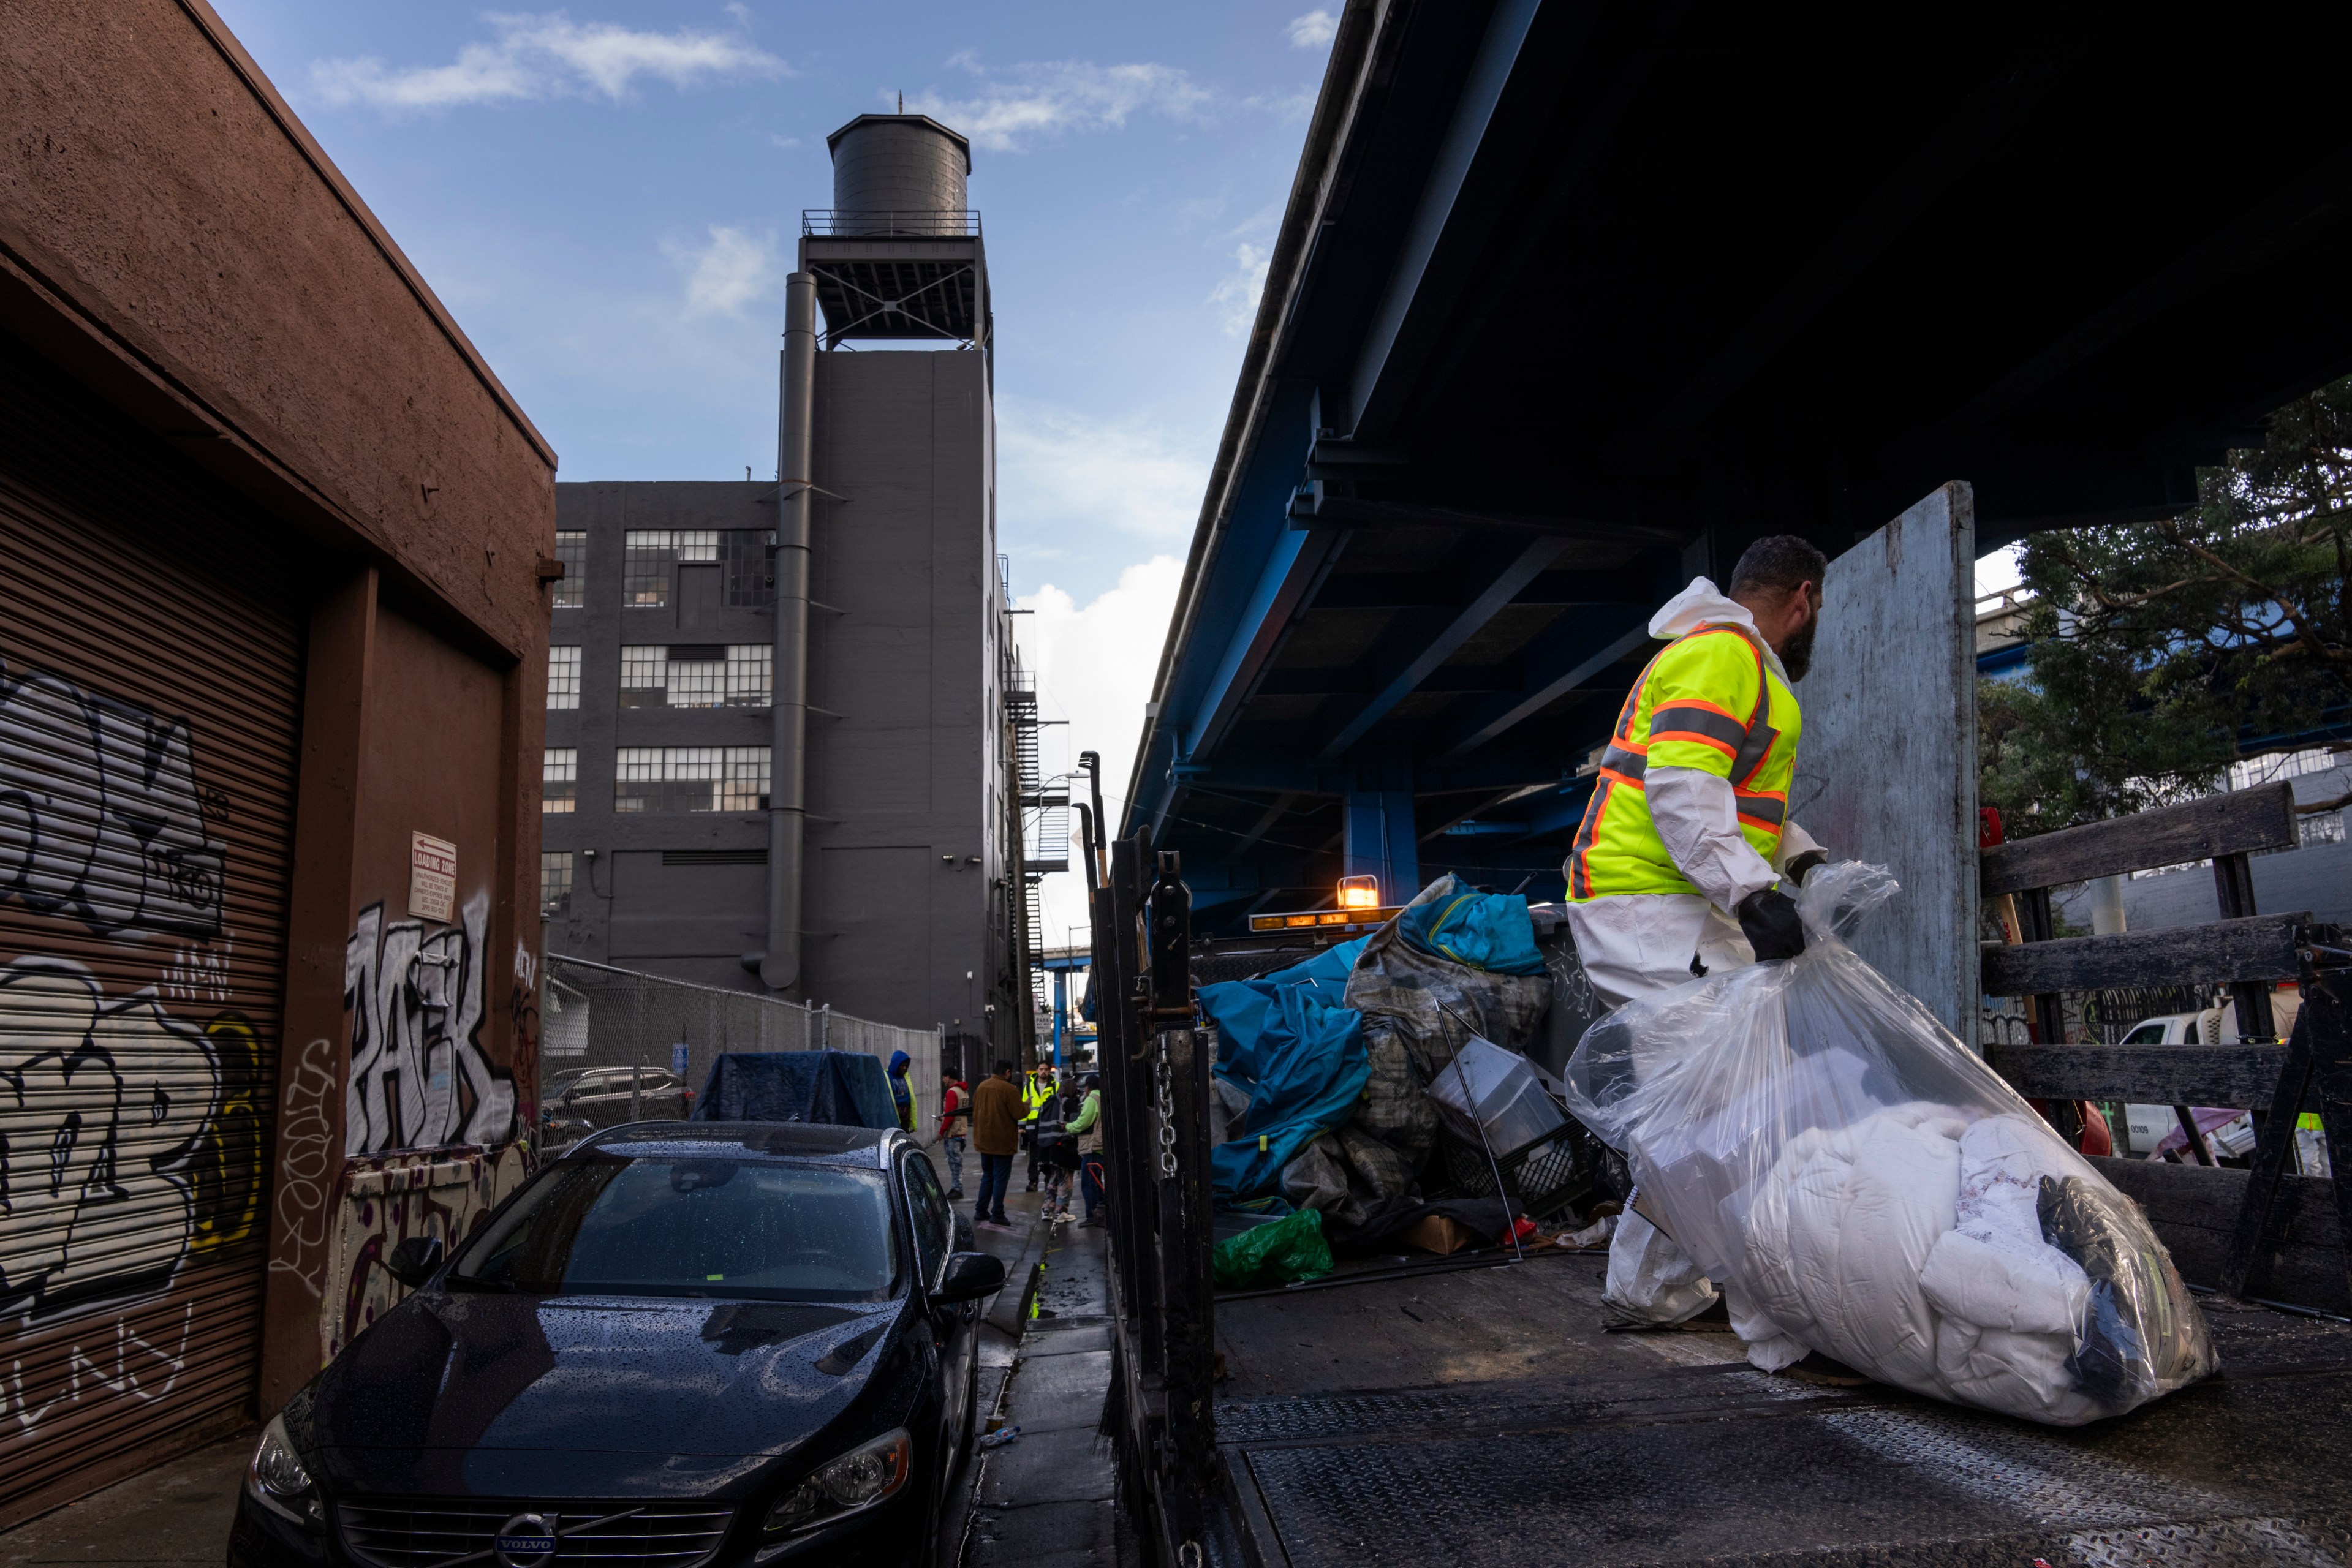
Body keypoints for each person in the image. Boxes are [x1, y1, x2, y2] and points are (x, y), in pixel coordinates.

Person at [1563, 535, 1832, 1333]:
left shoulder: (1725, 661)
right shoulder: (1724, 656)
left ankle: (1662, 1289)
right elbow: (1681, 789)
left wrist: (1803, 858)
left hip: (1660, 903)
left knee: (1720, 1097)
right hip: (1650, 903)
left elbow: (1730, 792)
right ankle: (1662, 1290)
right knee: (1718, 1102)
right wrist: (1752, 894)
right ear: (1802, 600)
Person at [970, 1061, 1023, 1231]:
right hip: (1002, 1142)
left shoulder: (982, 1087)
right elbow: (1019, 1113)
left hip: (984, 1141)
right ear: (1007, 1072)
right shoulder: (1008, 1090)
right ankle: (997, 1213)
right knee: (1000, 1177)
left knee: (988, 1176)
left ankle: (981, 1209)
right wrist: (1027, 1105)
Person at [1068, 1072, 1105, 1227]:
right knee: (1096, 1184)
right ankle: (1102, 1212)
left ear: (1088, 1088)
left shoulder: (1092, 1099)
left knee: (1088, 1184)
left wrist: (1069, 1127)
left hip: (1092, 1147)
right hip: (1101, 1146)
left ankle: (1092, 1216)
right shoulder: (1103, 1097)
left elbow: (1083, 1122)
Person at [937, 1070, 970, 1197]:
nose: (943, 1080)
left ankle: (957, 1188)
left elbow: (950, 1116)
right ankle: (956, 1187)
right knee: (958, 1162)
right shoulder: (963, 1091)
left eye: (943, 1077)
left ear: (948, 1077)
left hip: (953, 1133)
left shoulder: (952, 1092)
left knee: (954, 1163)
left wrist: (941, 1132)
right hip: (962, 1131)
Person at [886, 1049, 917, 1134]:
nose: (904, 1068)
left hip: (905, 1119)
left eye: (906, 1066)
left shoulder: (905, 1077)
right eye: (902, 1066)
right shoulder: (887, 1077)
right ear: (896, 1065)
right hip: (894, 1120)